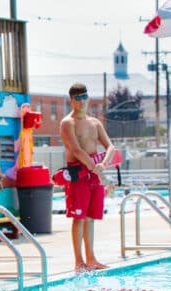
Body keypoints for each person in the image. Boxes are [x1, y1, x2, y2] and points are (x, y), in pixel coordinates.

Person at [59, 83, 115, 273]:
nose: (82, 101)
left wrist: (103, 165)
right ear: (71, 100)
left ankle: (91, 259)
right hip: (79, 174)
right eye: (77, 98)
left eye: (84, 97)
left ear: (88, 98)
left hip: (95, 174)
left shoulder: (95, 122)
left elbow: (110, 147)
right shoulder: (68, 123)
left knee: (90, 218)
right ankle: (79, 261)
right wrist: (94, 168)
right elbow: (76, 149)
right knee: (79, 217)